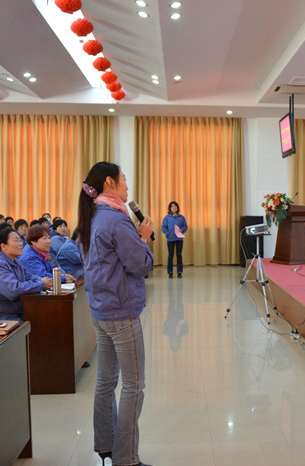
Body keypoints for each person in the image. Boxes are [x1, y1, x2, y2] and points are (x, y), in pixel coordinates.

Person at [78, 161, 153, 466]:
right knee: (134, 385)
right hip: (121, 312)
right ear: (109, 182)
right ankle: (126, 458)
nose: (127, 186)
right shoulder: (116, 219)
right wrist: (143, 237)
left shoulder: (92, 216)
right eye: (124, 179)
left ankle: (106, 446)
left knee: (106, 381)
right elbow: (140, 265)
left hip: (100, 309)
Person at [0, 227, 50, 323]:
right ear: (4, 246)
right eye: (16, 241)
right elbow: (14, 291)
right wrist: (41, 284)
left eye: (20, 240)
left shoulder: (15, 261)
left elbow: (29, 276)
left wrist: (42, 280)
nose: (21, 244)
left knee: (45, 317)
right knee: (36, 325)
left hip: (11, 311)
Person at [160, 201, 188, 278]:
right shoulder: (167, 218)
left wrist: (182, 230)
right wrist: (168, 233)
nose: (174, 208)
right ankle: (170, 272)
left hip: (179, 239)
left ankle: (179, 272)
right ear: (170, 208)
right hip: (170, 239)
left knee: (179, 255)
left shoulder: (181, 217)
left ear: (177, 208)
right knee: (170, 255)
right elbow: (163, 227)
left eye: (175, 206)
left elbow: (185, 226)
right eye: (172, 207)